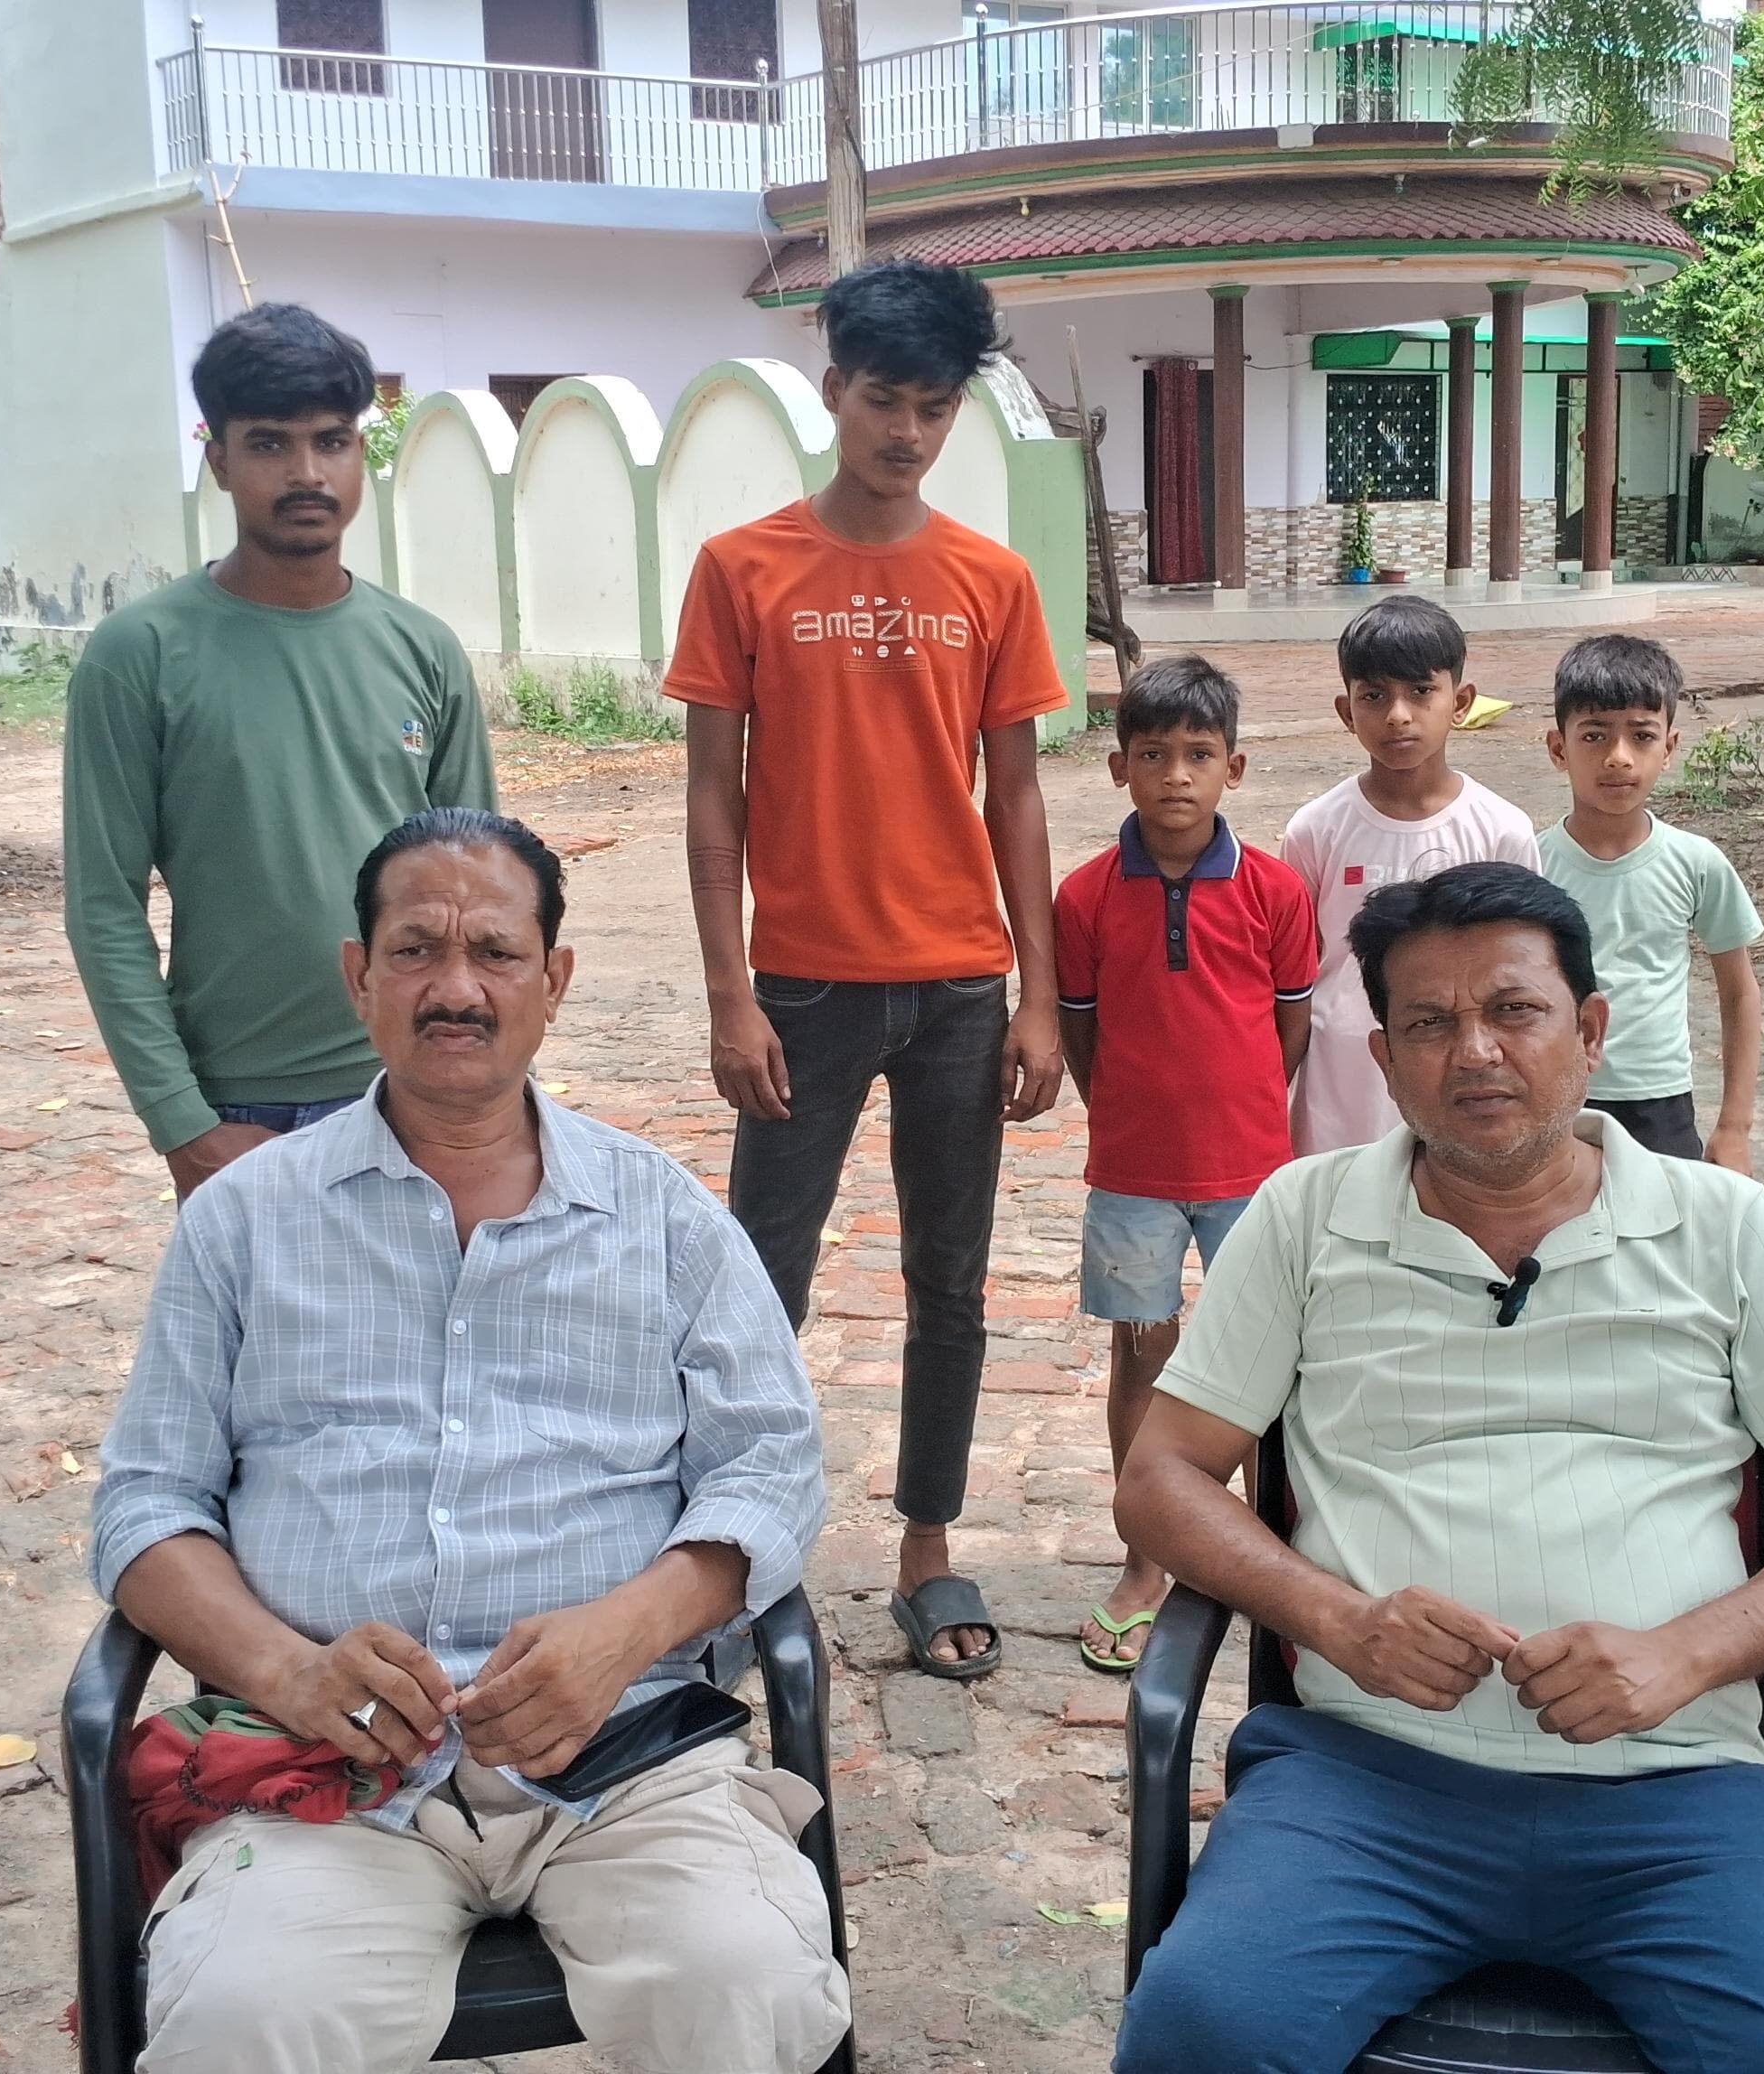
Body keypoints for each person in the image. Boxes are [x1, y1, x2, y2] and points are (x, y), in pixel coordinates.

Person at [1111, 863, 1764, 2074]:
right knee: (1202, 2029)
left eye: (1513, 1010)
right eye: (1428, 1023)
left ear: (1590, 1031)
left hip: (1683, 1804)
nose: (1475, 1052)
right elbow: (1159, 1480)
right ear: (1383, 1061)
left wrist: (1682, 1654)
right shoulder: (1302, 1217)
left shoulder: (1721, 1228)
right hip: (1363, 1791)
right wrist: (1337, 1621)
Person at [90, 808, 846, 2074]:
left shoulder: (662, 1216)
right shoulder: (242, 1221)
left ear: (554, 980)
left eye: (495, 952)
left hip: (623, 1755)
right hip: (332, 1773)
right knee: (239, 2017)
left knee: (745, 1981)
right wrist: (286, 1671)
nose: (456, 988)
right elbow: (145, 1505)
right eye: (416, 950)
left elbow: (769, 1466)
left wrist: (626, 1632)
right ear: (359, 976)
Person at [667, 258, 1067, 1681]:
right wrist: (728, 993)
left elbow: (1016, 794)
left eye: (934, 407)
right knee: (756, 1282)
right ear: (833, 389)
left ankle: (926, 1547)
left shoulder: (990, 580)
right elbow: (711, 794)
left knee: (949, 1281)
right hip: (803, 990)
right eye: (884, 399)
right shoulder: (744, 570)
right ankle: (732, 1553)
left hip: (958, 989)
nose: (907, 432)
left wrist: (1037, 994)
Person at [63, 304, 496, 1200]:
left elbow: (482, 892)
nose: (306, 473)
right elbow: (104, 906)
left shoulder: (422, 650)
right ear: (219, 457)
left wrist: (479, 1090)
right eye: (268, 444)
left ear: (359, 452)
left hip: (413, 1089)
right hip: (241, 1105)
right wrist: (183, 1124)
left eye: (331, 441)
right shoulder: (140, 656)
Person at [1054, 656, 1317, 1672]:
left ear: (1233, 768)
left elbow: (1288, 1027)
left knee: (1265, 1363)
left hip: (1251, 1172)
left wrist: (1239, 1115)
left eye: (1198, 754)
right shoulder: (1083, 897)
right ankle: (1146, 1559)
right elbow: (1082, 1034)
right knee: (1142, 1356)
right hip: (1132, 1174)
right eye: (1153, 754)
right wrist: (1129, 1117)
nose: (1175, 775)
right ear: (1118, 766)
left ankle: (1263, 1551)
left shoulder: (1274, 891)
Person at [1281, 593, 1536, 1156]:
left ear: (1461, 702)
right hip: (1340, 1077)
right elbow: (1294, 968)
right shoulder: (1314, 831)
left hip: (1462, 1066)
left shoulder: (1501, 831)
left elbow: (1520, 967)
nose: (1398, 714)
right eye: (1374, 696)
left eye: (1421, 691)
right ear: (1347, 711)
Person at [1537, 635, 1763, 1169]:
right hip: (1553, 1095)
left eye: (1641, 736)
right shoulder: (1530, 863)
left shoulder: (1697, 863)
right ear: (1558, 748)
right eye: (1594, 735)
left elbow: (1739, 993)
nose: (1618, 758)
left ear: (1670, 748)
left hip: (1659, 1102)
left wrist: (1734, 1127)